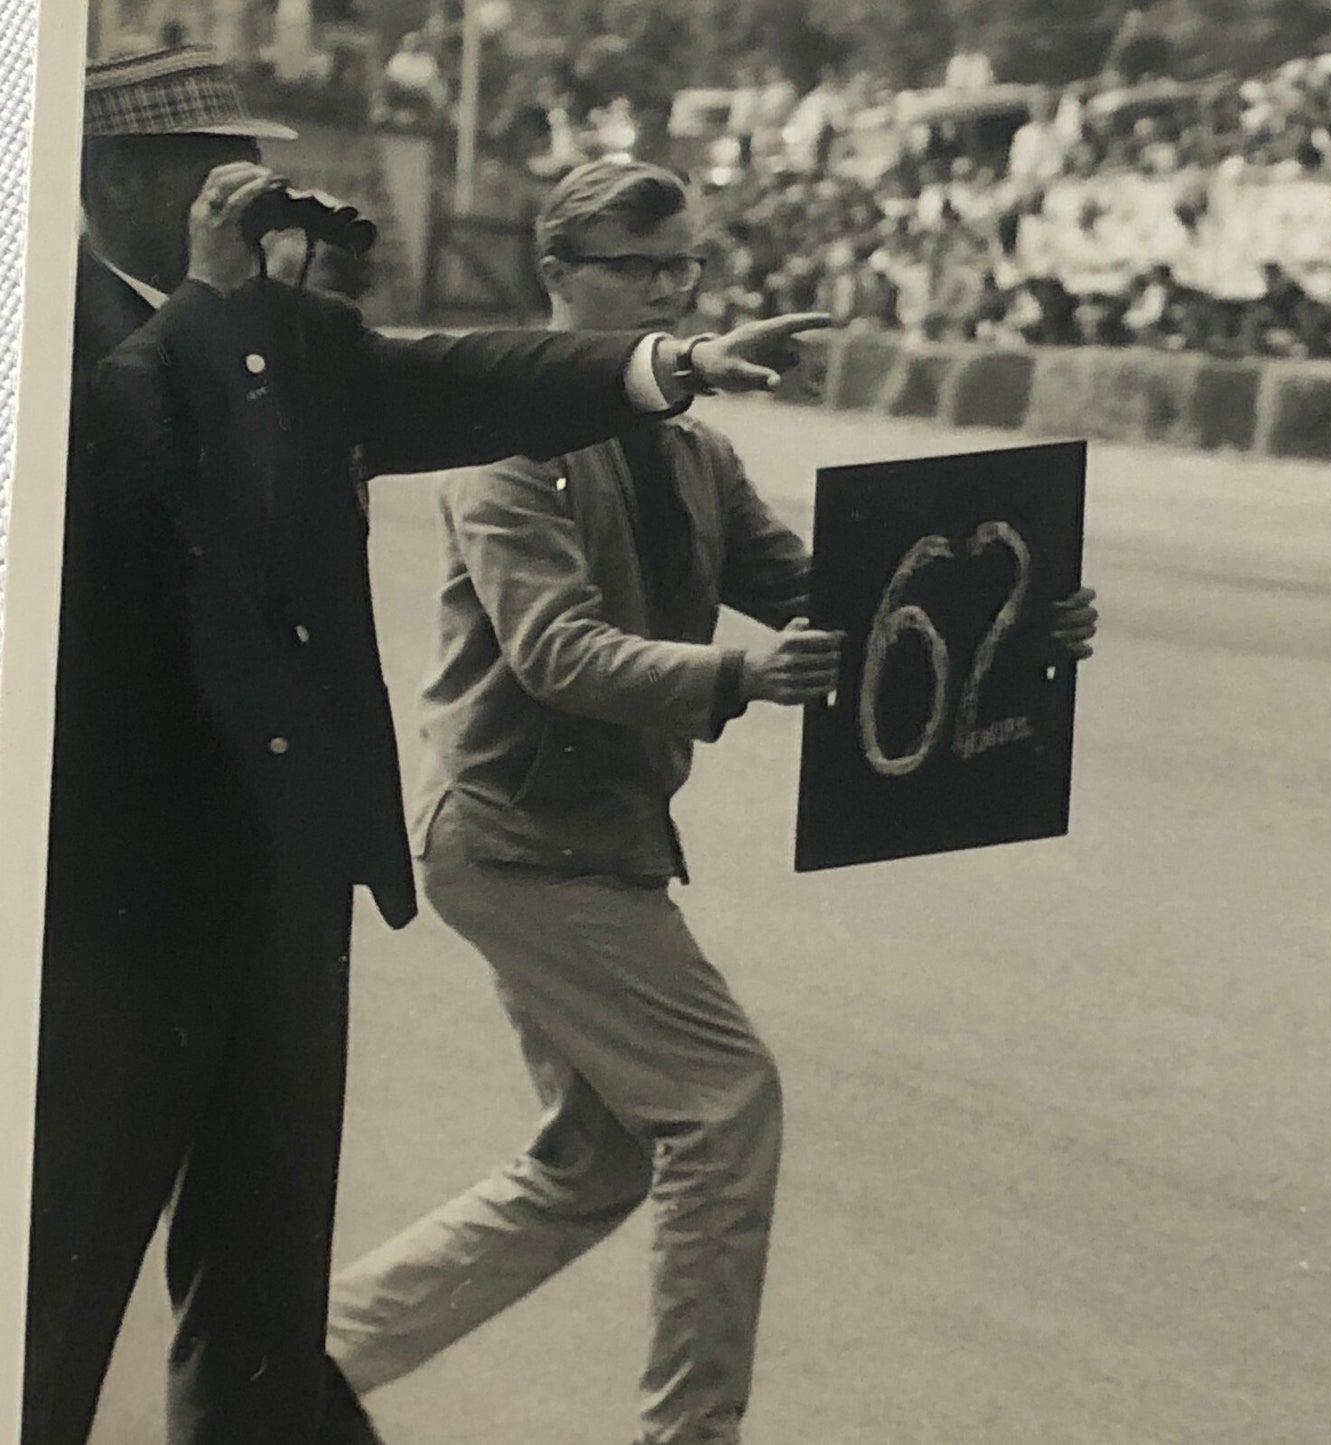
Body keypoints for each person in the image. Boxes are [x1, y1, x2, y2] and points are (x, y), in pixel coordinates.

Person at [26, 47, 828, 1445]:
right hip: (115, 895)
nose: (241, 193)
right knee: (58, 1282)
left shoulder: (281, 332)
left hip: (284, 875)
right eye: (205, 170)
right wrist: (220, 302)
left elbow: (458, 378)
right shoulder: (58, 330)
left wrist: (666, 365)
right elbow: (124, 457)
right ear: (106, 184)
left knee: (264, 1290)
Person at [325, 158, 1100, 1445]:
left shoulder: (691, 452)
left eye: (684, 266)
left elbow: (841, 597)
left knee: (595, 1160)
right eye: (637, 267)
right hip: (516, 837)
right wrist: (737, 672)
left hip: (588, 836)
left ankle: (304, 1363)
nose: (671, 290)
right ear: (558, 277)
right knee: (724, 1105)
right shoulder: (504, 452)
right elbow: (555, 652)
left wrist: (1019, 628)